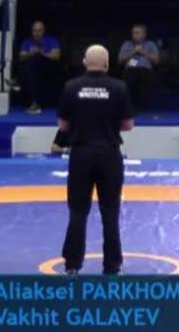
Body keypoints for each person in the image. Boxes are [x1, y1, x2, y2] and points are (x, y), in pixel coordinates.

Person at [58, 45, 135, 276]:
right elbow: (128, 125)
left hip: (81, 154)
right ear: (107, 64)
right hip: (109, 154)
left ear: (84, 62)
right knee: (110, 212)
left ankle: (72, 265)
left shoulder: (71, 87)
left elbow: (63, 125)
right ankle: (112, 266)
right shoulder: (118, 87)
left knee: (78, 211)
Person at [17, 20, 62, 114]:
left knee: (36, 58)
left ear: (43, 31)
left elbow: (56, 56)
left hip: (48, 68)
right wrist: (31, 53)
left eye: (39, 30)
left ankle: (17, 81)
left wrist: (41, 52)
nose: (37, 33)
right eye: (34, 30)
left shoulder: (51, 40)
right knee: (31, 64)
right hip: (32, 69)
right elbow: (21, 57)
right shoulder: (27, 42)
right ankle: (34, 103)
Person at [119, 24, 160, 112]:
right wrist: (134, 51)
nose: (135, 35)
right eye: (133, 33)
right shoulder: (127, 44)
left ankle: (145, 109)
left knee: (147, 82)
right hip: (130, 70)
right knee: (129, 81)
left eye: (137, 33)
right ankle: (130, 108)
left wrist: (143, 52)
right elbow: (121, 60)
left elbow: (156, 60)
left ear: (144, 34)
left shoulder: (150, 44)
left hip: (146, 71)